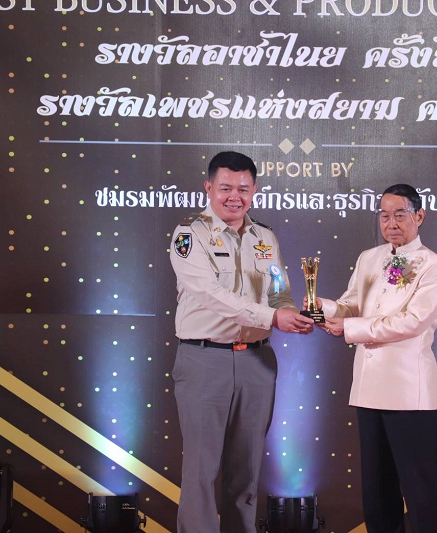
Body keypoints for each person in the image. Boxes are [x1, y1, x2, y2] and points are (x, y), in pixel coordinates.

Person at [169, 151, 314, 533]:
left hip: (256, 362)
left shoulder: (265, 236)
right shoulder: (190, 234)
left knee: (246, 470)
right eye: (226, 188)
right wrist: (272, 317)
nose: (235, 196)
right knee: (200, 471)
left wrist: (292, 313)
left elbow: (278, 290)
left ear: (254, 190)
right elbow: (210, 295)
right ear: (208, 188)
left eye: (243, 189)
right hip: (205, 359)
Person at [315, 183, 437, 533]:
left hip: (409, 393)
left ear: (419, 216)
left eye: (400, 215)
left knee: (420, 493)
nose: (391, 223)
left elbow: (412, 322)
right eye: (384, 215)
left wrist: (350, 328)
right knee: (377, 494)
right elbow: (351, 303)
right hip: (368, 388)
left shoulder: (435, 266)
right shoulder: (369, 257)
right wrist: (322, 307)